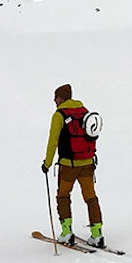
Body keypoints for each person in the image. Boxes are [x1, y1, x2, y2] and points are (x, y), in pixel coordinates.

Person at [41, 83, 105, 247]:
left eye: (56, 97)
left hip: (68, 166)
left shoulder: (59, 115)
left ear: (61, 98)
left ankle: (66, 232)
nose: (54, 100)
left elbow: (53, 141)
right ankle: (97, 234)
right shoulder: (84, 111)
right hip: (88, 164)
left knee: (63, 196)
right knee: (91, 197)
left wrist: (47, 163)